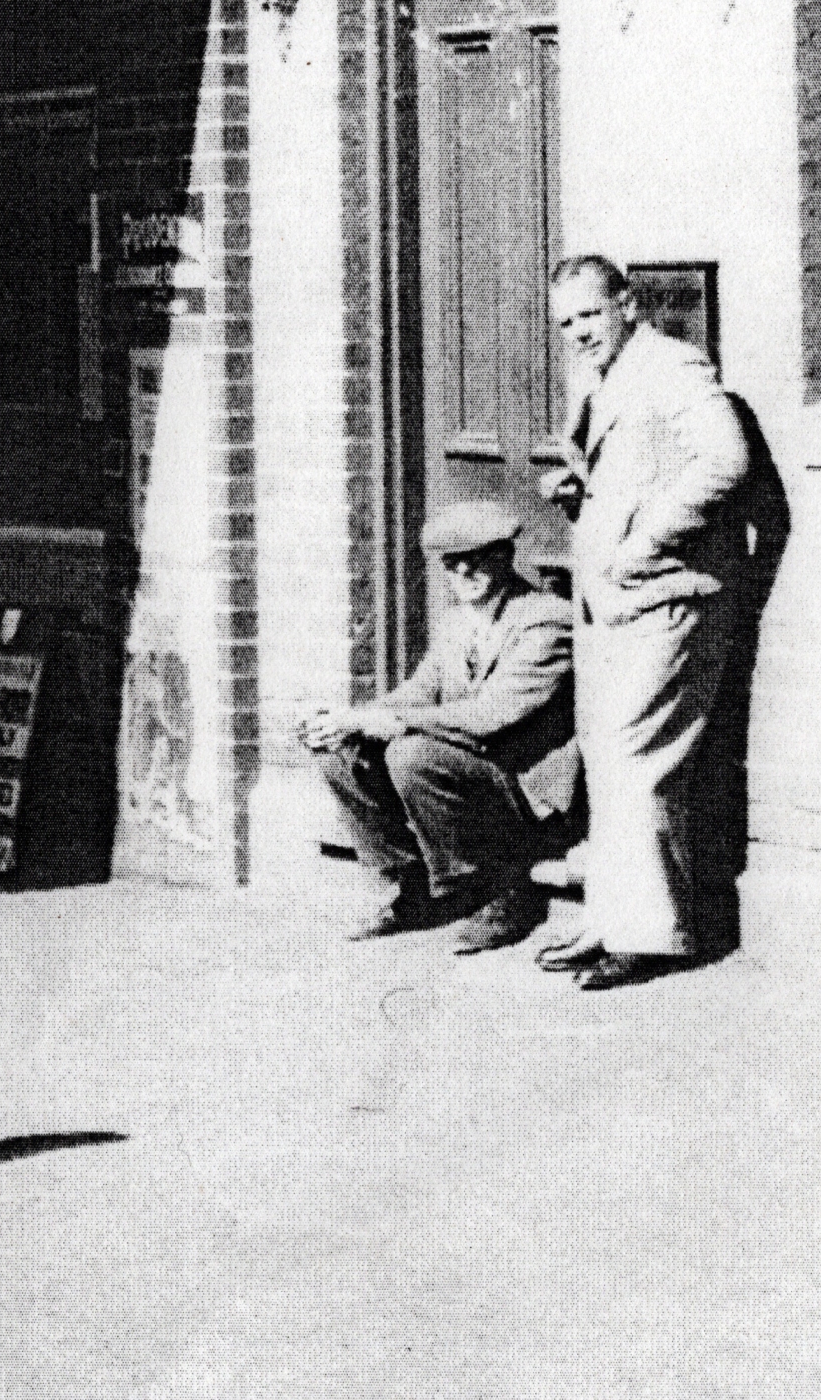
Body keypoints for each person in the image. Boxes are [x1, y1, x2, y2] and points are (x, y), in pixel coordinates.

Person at [538, 255, 755, 990]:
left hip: (669, 593)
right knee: (606, 754)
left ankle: (653, 935)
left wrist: (644, 538)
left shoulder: (672, 365)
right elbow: (638, 464)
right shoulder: (600, 378)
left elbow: (725, 461)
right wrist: (581, 487)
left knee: (636, 755)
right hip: (615, 600)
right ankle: (610, 920)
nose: (577, 333)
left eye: (589, 315)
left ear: (627, 305)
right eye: (565, 322)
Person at [297, 501, 576, 954]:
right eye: (452, 562)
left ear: (505, 557)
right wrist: (349, 721)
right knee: (341, 753)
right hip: (470, 769)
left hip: (524, 786)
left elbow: (492, 716)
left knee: (412, 754)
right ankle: (414, 888)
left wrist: (391, 722)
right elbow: (419, 692)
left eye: (478, 558)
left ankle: (503, 891)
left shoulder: (545, 621)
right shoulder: (457, 622)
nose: (464, 571)